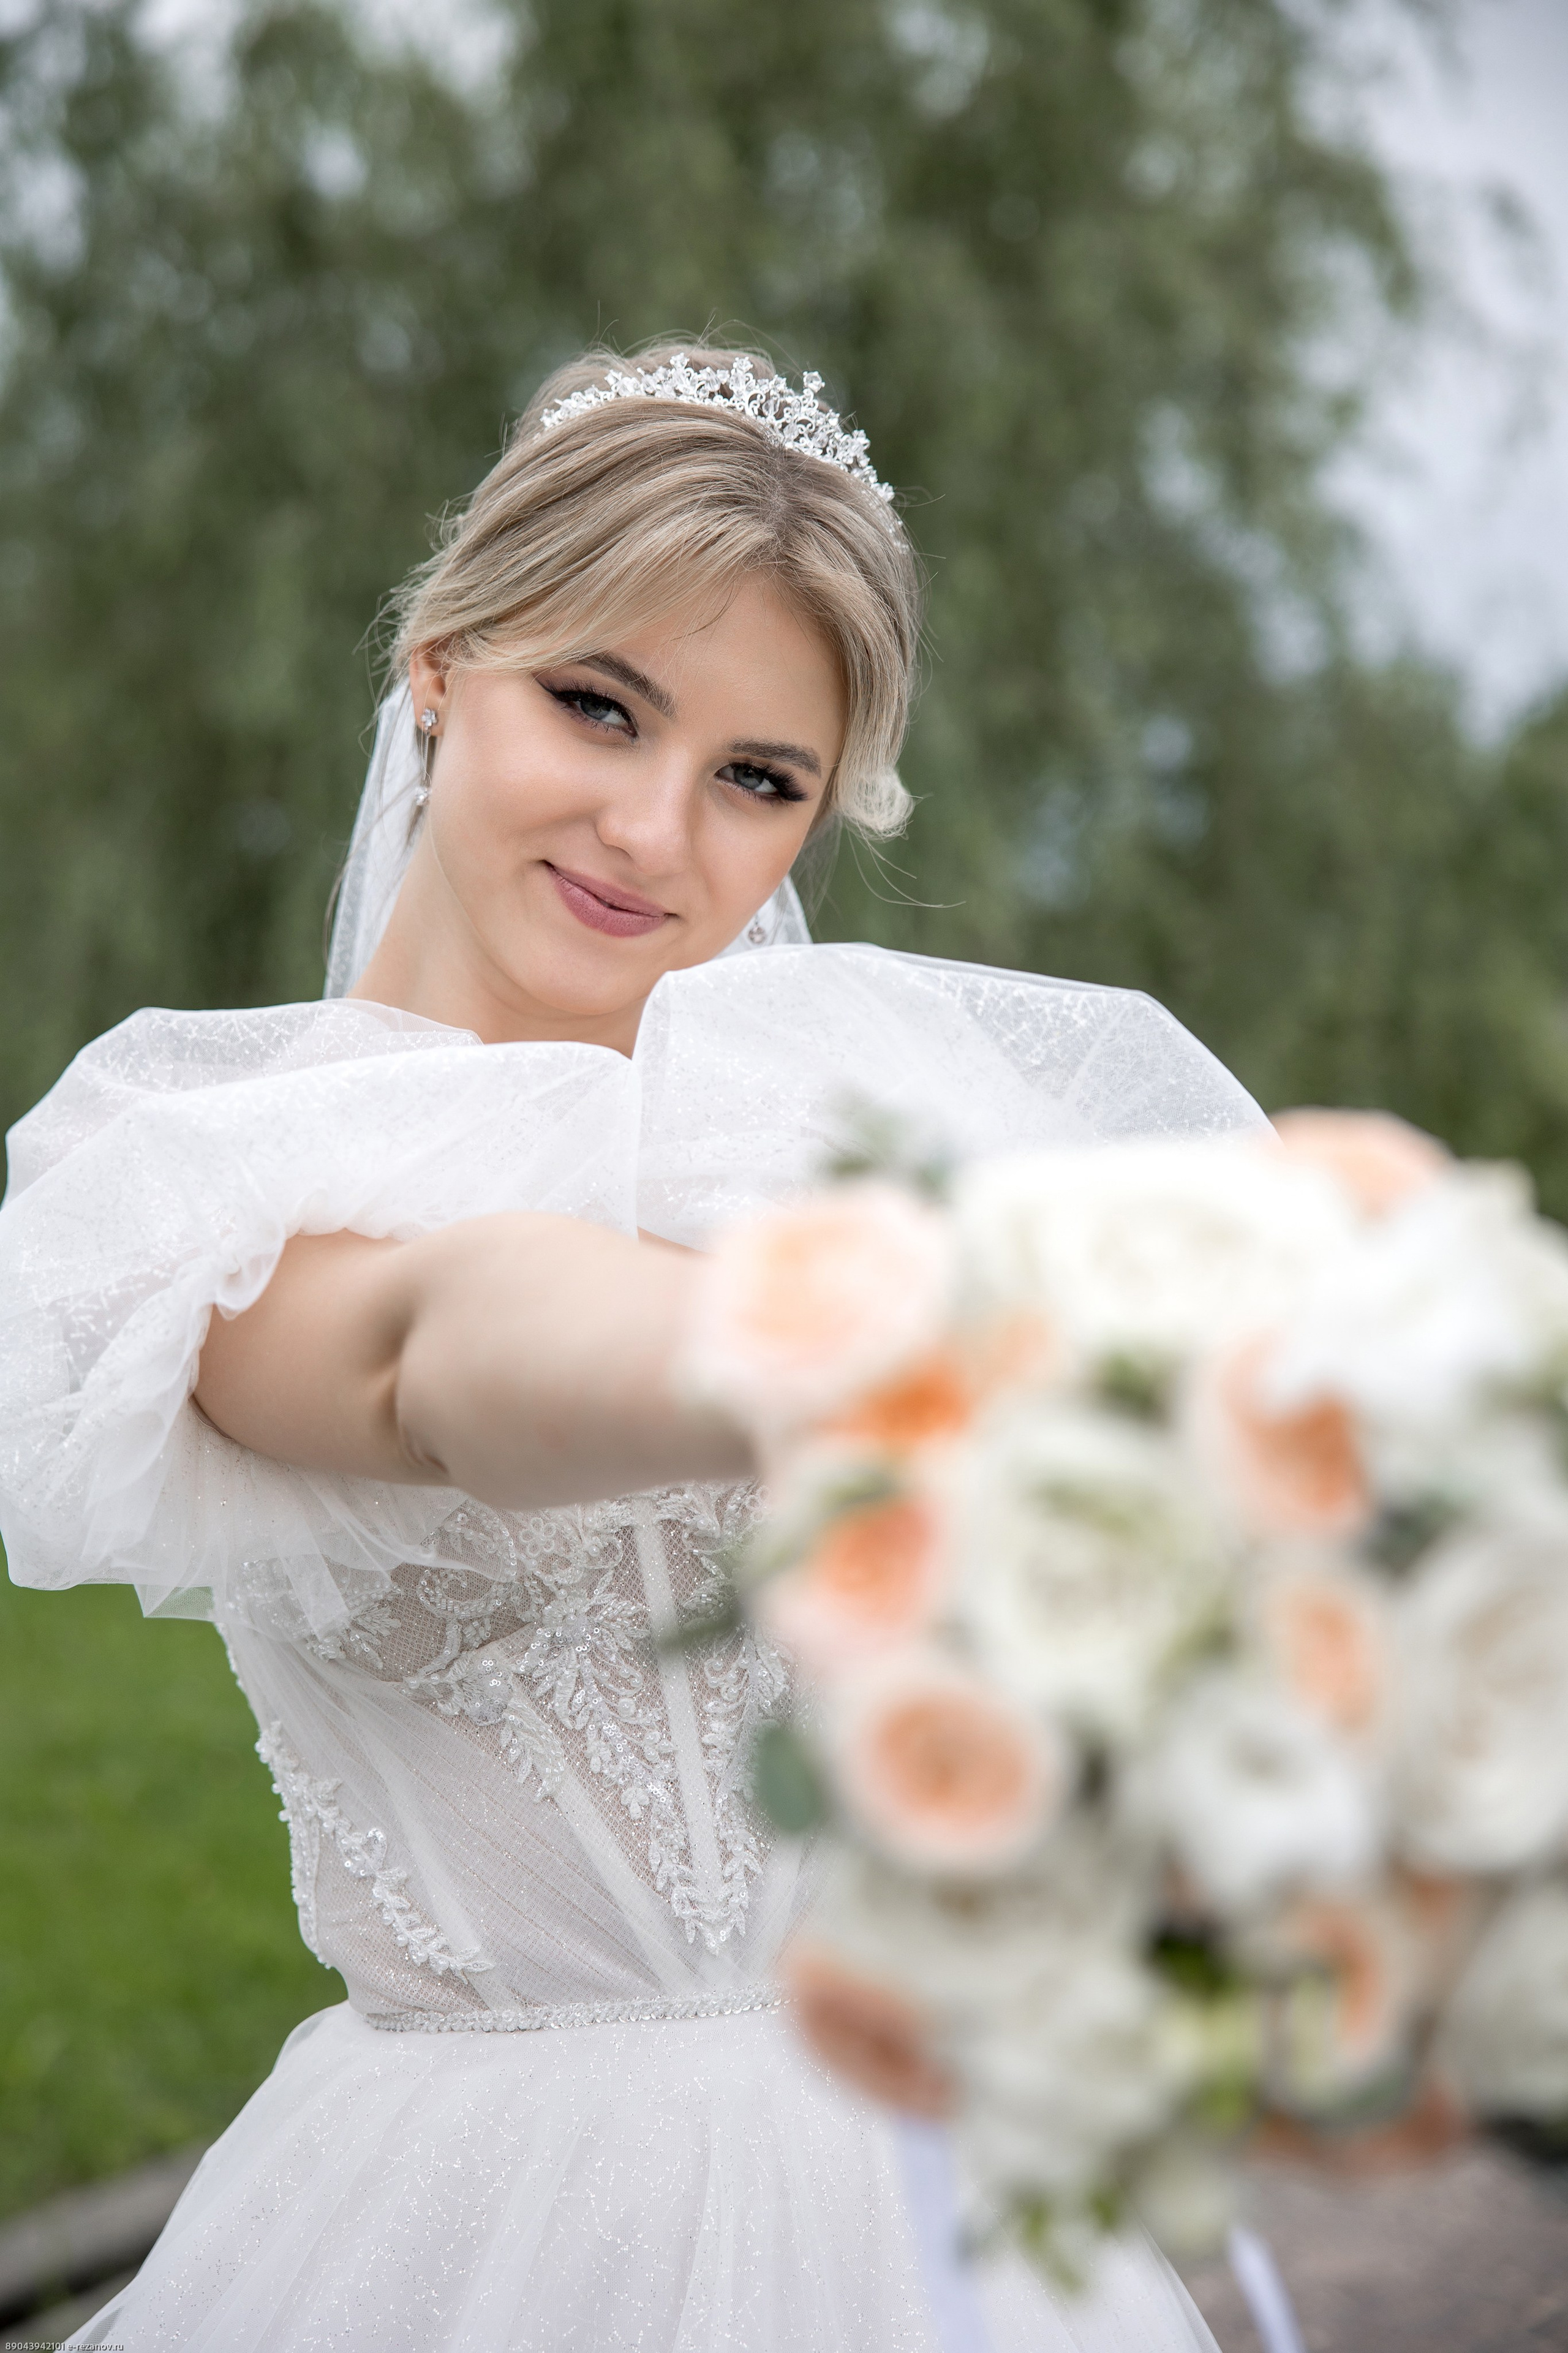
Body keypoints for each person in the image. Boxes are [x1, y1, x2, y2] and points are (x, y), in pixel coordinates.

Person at [0, 342, 1262, 2352]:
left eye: (758, 779)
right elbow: (447, 1353)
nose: (655, 831)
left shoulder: (821, 1145)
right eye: (599, 705)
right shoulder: (223, 1186)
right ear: (441, 660)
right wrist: (881, 1329)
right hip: (491, 2231)